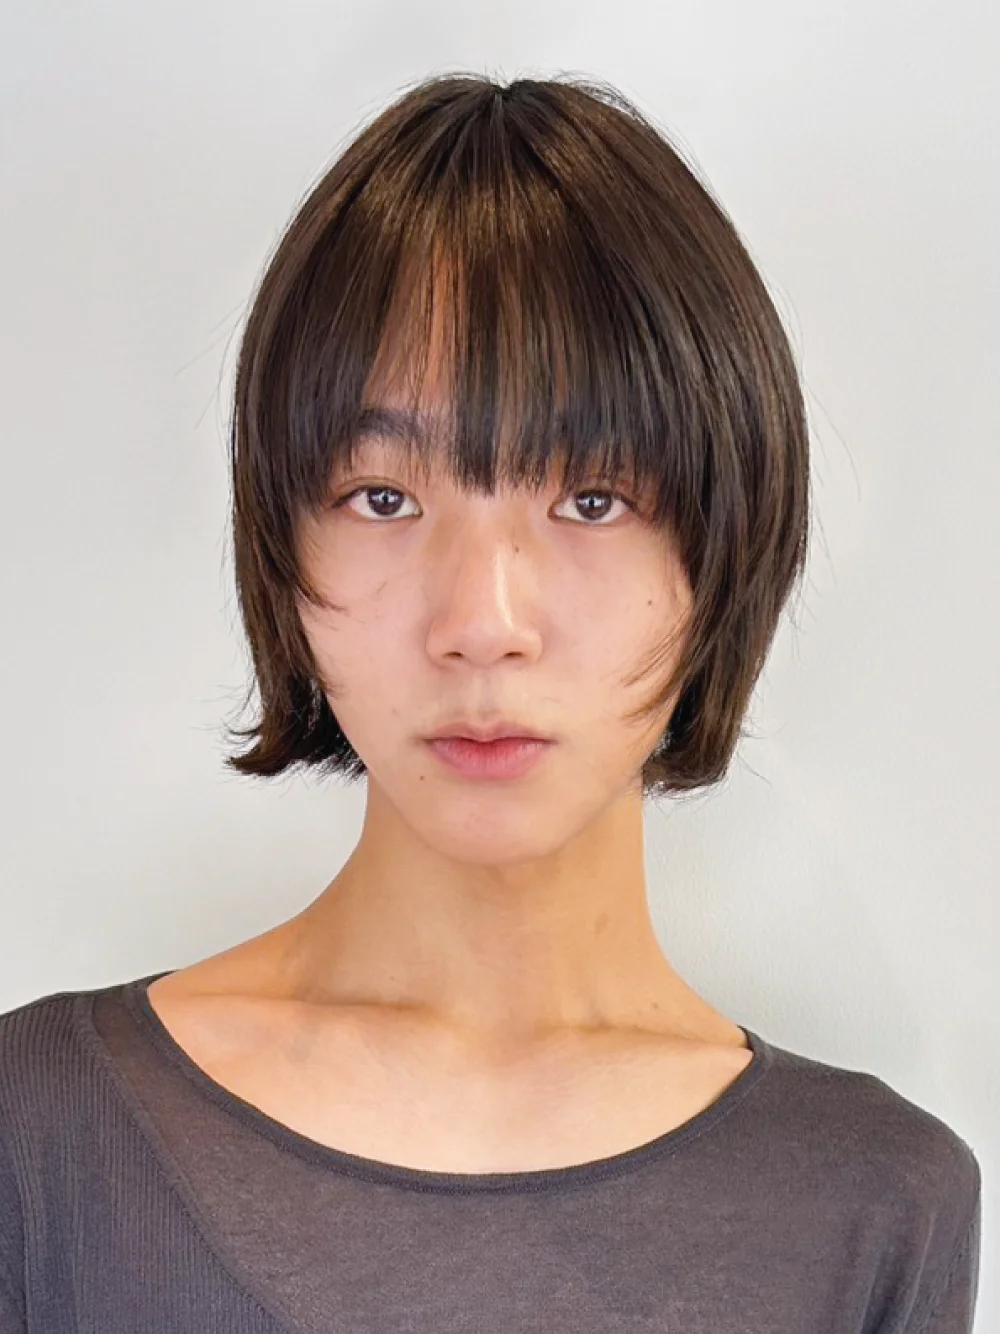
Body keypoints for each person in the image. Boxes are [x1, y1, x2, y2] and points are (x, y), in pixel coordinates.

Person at [0, 73, 981, 1333]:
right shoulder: (43, 1140)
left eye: (591, 500)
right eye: (384, 498)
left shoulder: (874, 1208)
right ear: (280, 547)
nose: (481, 620)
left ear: (726, 544)